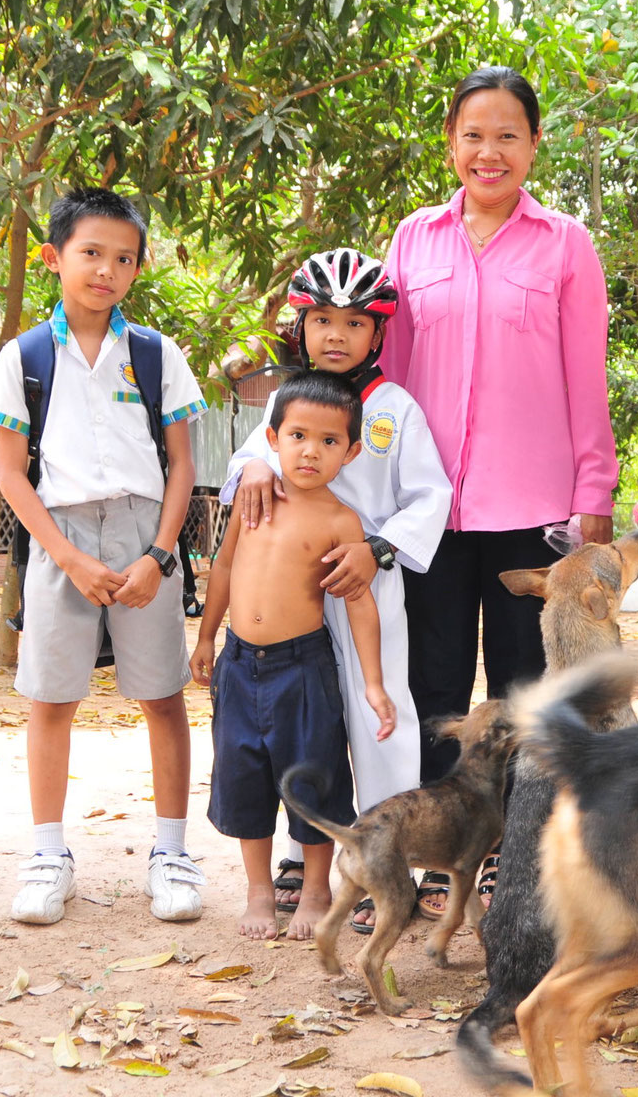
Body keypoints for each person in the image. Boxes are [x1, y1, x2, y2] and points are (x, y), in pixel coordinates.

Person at [384, 66, 619, 916]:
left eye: (507, 135)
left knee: (527, 689)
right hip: (431, 511)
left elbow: (583, 378)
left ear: (534, 143)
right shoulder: (412, 240)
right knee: (435, 688)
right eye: (473, 134)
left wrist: (595, 490)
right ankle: (435, 859)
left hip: (539, 513)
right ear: (451, 143)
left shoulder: (565, 244)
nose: (489, 151)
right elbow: (392, 379)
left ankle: (517, 869)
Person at [0, 188, 210, 927]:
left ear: (138, 269)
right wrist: (68, 559)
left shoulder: (155, 355)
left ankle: (172, 854)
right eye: (90, 253)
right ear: (54, 259)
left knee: (162, 696)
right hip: (60, 538)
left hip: (146, 536)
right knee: (51, 699)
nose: (105, 270)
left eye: (122, 258)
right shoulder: (25, 357)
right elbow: (13, 474)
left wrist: (159, 554)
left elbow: (181, 466)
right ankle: (49, 856)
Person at [223, 249, 451, 929]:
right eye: (321, 319)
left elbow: (429, 495)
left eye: (354, 323)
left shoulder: (394, 408)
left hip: (364, 587)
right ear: (300, 326)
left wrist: (377, 547)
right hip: (290, 598)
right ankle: (305, 856)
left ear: (378, 334)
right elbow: (253, 458)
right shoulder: (289, 402)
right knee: (302, 731)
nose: (335, 336)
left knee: (377, 719)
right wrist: (251, 473)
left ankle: (385, 866)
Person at [191, 369, 397, 941]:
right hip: (238, 664)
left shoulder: (339, 520)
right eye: (298, 436)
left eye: (329, 442)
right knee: (241, 777)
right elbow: (226, 566)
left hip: (302, 669)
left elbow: (358, 604)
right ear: (273, 438)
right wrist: (207, 637)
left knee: (313, 779)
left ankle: (314, 890)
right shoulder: (253, 498)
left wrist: (374, 685)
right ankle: (258, 891)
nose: (311, 451)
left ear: (351, 452)